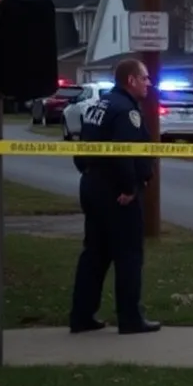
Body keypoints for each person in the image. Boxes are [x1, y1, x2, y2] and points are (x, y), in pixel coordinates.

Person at [68, 58, 161, 335]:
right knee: (129, 254)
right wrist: (130, 187)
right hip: (116, 192)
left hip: (93, 185)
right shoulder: (126, 111)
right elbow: (124, 152)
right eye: (144, 78)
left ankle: (81, 316)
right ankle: (131, 319)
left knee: (94, 254)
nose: (148, 83)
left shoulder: (100, 105)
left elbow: (82, 145)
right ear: (130, 80)